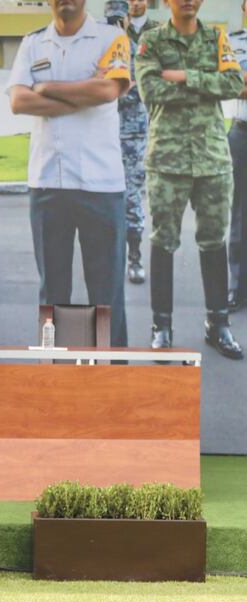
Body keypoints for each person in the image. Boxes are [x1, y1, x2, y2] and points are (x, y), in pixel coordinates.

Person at [6, 0, 131, 347]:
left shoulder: (110, 38)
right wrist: (82, 93)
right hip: (48, 181)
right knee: (53, 289)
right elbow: (18, 101)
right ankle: (55, 372)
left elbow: (108, 90)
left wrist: (45, 88)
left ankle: (109, 372)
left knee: (106, 290)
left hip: (100, 182)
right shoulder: (33, 43)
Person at [136, 0, 243, 359]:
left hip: (212, 159)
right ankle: (161, 326)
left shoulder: (217, 38)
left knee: (214, 241)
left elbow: (234, 82)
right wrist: (205, 84)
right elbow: (150, 89)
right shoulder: (152, 41)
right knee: (163, 241)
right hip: (168, 159)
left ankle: (218, 324)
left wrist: (182, 76)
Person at [107, 0, 159, 284]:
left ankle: (135, 257)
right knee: (103, 199)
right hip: (102, 130)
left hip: (137, 131)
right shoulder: (107, 33)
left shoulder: (157, 33)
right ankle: (110, 258)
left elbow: (154, 83)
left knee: (131, 196)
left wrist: (118, 89)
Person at [228, 1, 247, 312]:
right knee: (239, 217)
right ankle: (237, 289)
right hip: (243, 134)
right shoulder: (233, 42)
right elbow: (235, 83)